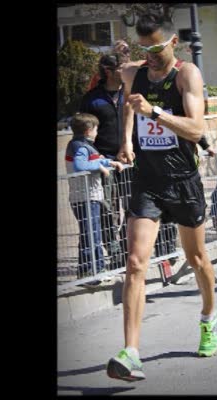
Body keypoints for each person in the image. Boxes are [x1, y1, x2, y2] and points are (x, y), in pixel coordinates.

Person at [106, 13, 217, 382]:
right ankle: (131, 352)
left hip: (183, 180)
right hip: (148, 181)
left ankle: (208, 318)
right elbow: (130, 103)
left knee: (198, 258)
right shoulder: (131, 74)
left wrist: (155, 111)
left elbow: (196, 128)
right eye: (144, 50)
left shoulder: (188, 75)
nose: (150, 57)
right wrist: (127, 139)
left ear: (174, 43)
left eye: (156, 48)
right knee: (136, 263)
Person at [80, 54, 128, 268]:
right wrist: (96, 159)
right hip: (104, 163)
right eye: (121, 67)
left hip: (130, 161)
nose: (125, 70)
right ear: (108, 71)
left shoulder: (131, 93)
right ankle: (115, 252)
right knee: (107, 209)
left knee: (135, 206)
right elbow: (83, 132)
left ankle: (129, 248)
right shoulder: (92, 98)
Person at [64, 113, 124, 282]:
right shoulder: (80, 146)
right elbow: (80, 165)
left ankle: (94, 270)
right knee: (91, 236)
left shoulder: (80, 145)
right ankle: (92, 273)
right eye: (96, 129)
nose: (97, 132)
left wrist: (108, 162)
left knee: (91, 235)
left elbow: (92, 159)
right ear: (88, 131)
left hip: (87, 196)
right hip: (86, 197)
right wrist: (99, 166)